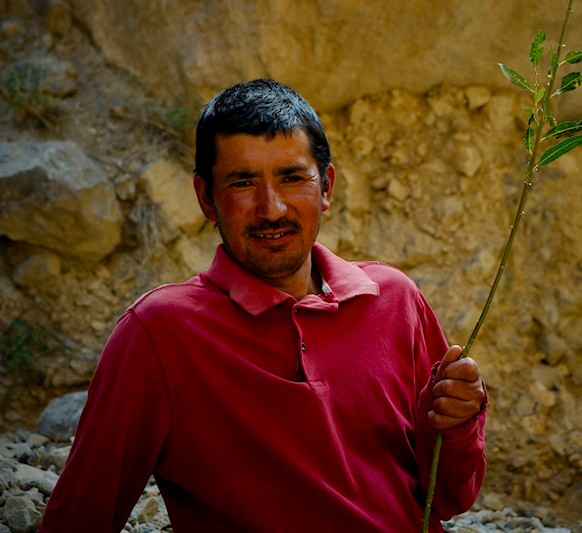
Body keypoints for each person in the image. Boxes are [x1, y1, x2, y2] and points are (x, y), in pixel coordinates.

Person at [39, 79, 487, 533]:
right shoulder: (160, 332)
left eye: (292, 178)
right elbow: (79, 516)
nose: (271, 209)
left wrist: (458, 425)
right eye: (243, 182)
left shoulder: (394, 299)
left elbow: (450, 497)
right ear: (205, 198)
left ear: (326, 186)